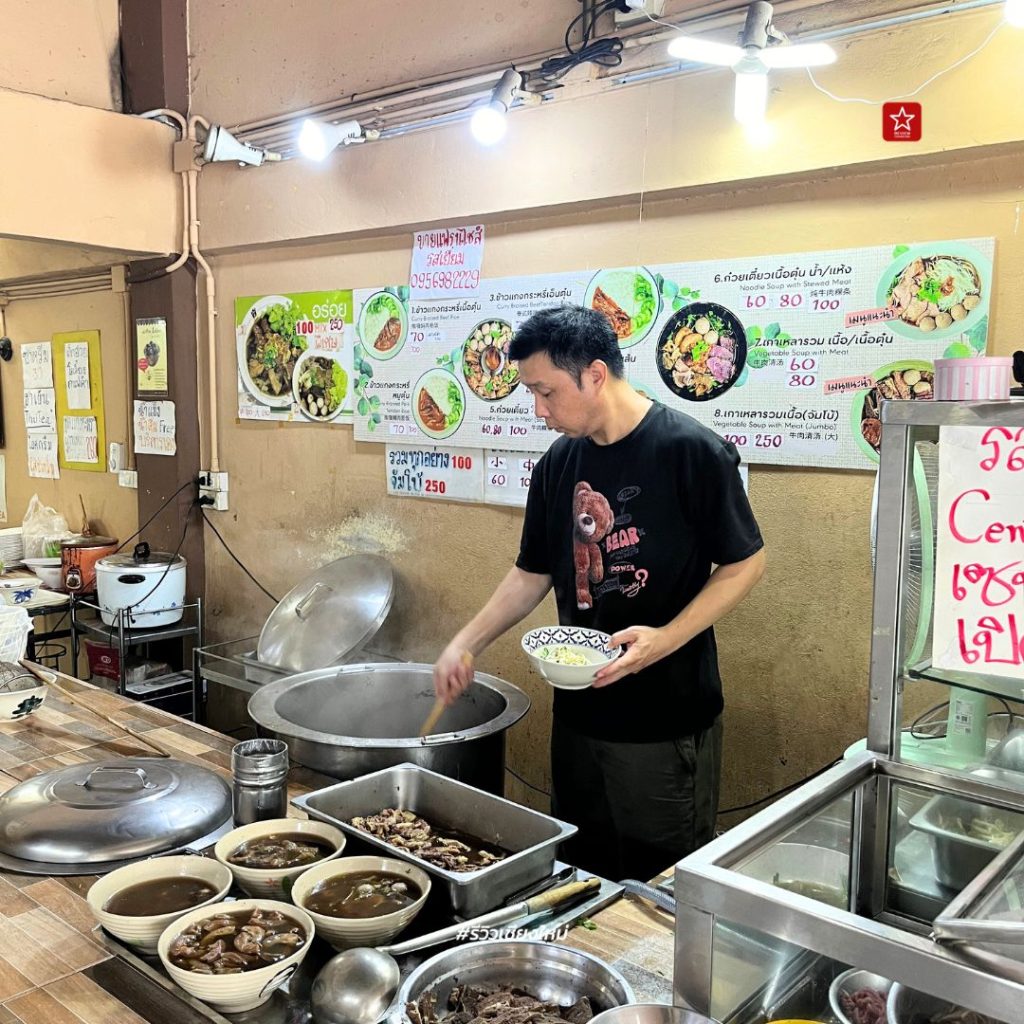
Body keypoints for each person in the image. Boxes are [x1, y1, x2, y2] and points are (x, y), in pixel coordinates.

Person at [433, 304, 765, 882]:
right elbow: (532, 572)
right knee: (579, 871)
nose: (539, 411)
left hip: (665, 721)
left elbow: (745, 563)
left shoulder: (690, 450)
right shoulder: (559, 463)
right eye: (531, 395)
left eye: (545, 392)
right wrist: (467, 642)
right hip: (581, 717)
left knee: (660, 882)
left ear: (593, 374)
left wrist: (664, 640)